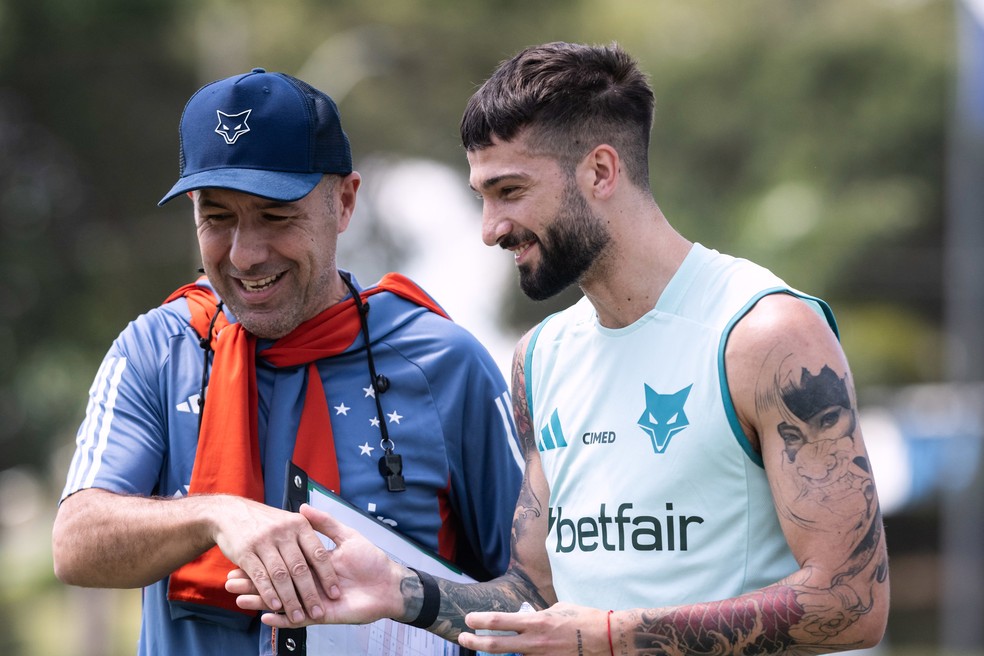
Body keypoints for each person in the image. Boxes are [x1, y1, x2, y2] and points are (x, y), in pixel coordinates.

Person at [228, 42, 891, 654]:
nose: (491, 229)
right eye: (482, 197)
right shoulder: (540, 359)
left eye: (510, 191)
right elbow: (536, 598)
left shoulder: (765, 334)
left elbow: (853, 599)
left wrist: (607, 636)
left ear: (600, 170)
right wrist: (403, 590)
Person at [51, 68, 524, 655]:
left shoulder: (444, 365)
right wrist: (215, 516)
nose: (246, 254)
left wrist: (407, 593)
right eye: (217, 217)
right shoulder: (156, 350)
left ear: (345, 202)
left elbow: (535, 598)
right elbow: (75, 542)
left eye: (277, 216)